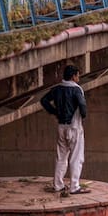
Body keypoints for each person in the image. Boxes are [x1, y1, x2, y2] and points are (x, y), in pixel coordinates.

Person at [40, 65, 90, 194]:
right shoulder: (76, 90)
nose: (78, 77)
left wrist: (54, 112)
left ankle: (58, 185)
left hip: (61, 126)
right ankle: (74, 186)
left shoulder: (57, 89)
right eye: (78, 75)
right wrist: (83, 116)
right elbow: (82, 105)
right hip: (74, 127)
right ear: (73, 76)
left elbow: (44, 100)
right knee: (76, 157)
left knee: (61, 157)